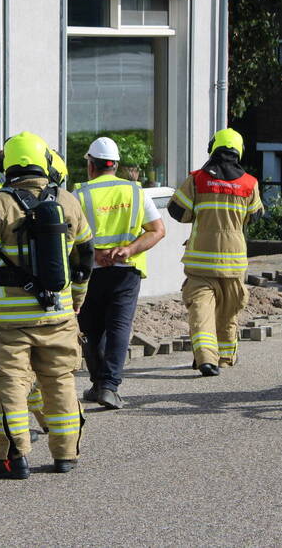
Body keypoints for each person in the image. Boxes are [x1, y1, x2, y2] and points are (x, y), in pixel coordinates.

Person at [0, 131, 95, 479]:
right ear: (46, 162)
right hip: (60, 313)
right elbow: (85, 258)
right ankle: (66, 455)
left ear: (6, 165)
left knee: (10, 383)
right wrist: (76, 299)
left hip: (10, 320)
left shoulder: (0, 203)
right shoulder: (68, 200)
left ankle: (13, 458)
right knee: (60, 380)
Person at [72, 137, 166, 409]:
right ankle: (108, 386)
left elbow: (69, 236)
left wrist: (94, 254)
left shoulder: (80, 194)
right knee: (118, 327)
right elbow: (158, 230)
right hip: (126, 271)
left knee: (90, 329)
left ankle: (101, 383)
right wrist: (129, 249)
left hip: (91, 272)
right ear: (115, 166)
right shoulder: (136, 192)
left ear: (91, 165)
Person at [167, 129, 263, 377]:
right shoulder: (249, 184)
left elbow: (177, 212)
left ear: (213, 148)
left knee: (201, 312)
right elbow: (256, 215)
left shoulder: (198, 180)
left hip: (200, 263)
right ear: (239, 151)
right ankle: (226, 357)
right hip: (234, 264)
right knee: (228, 313)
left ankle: (205, 359)